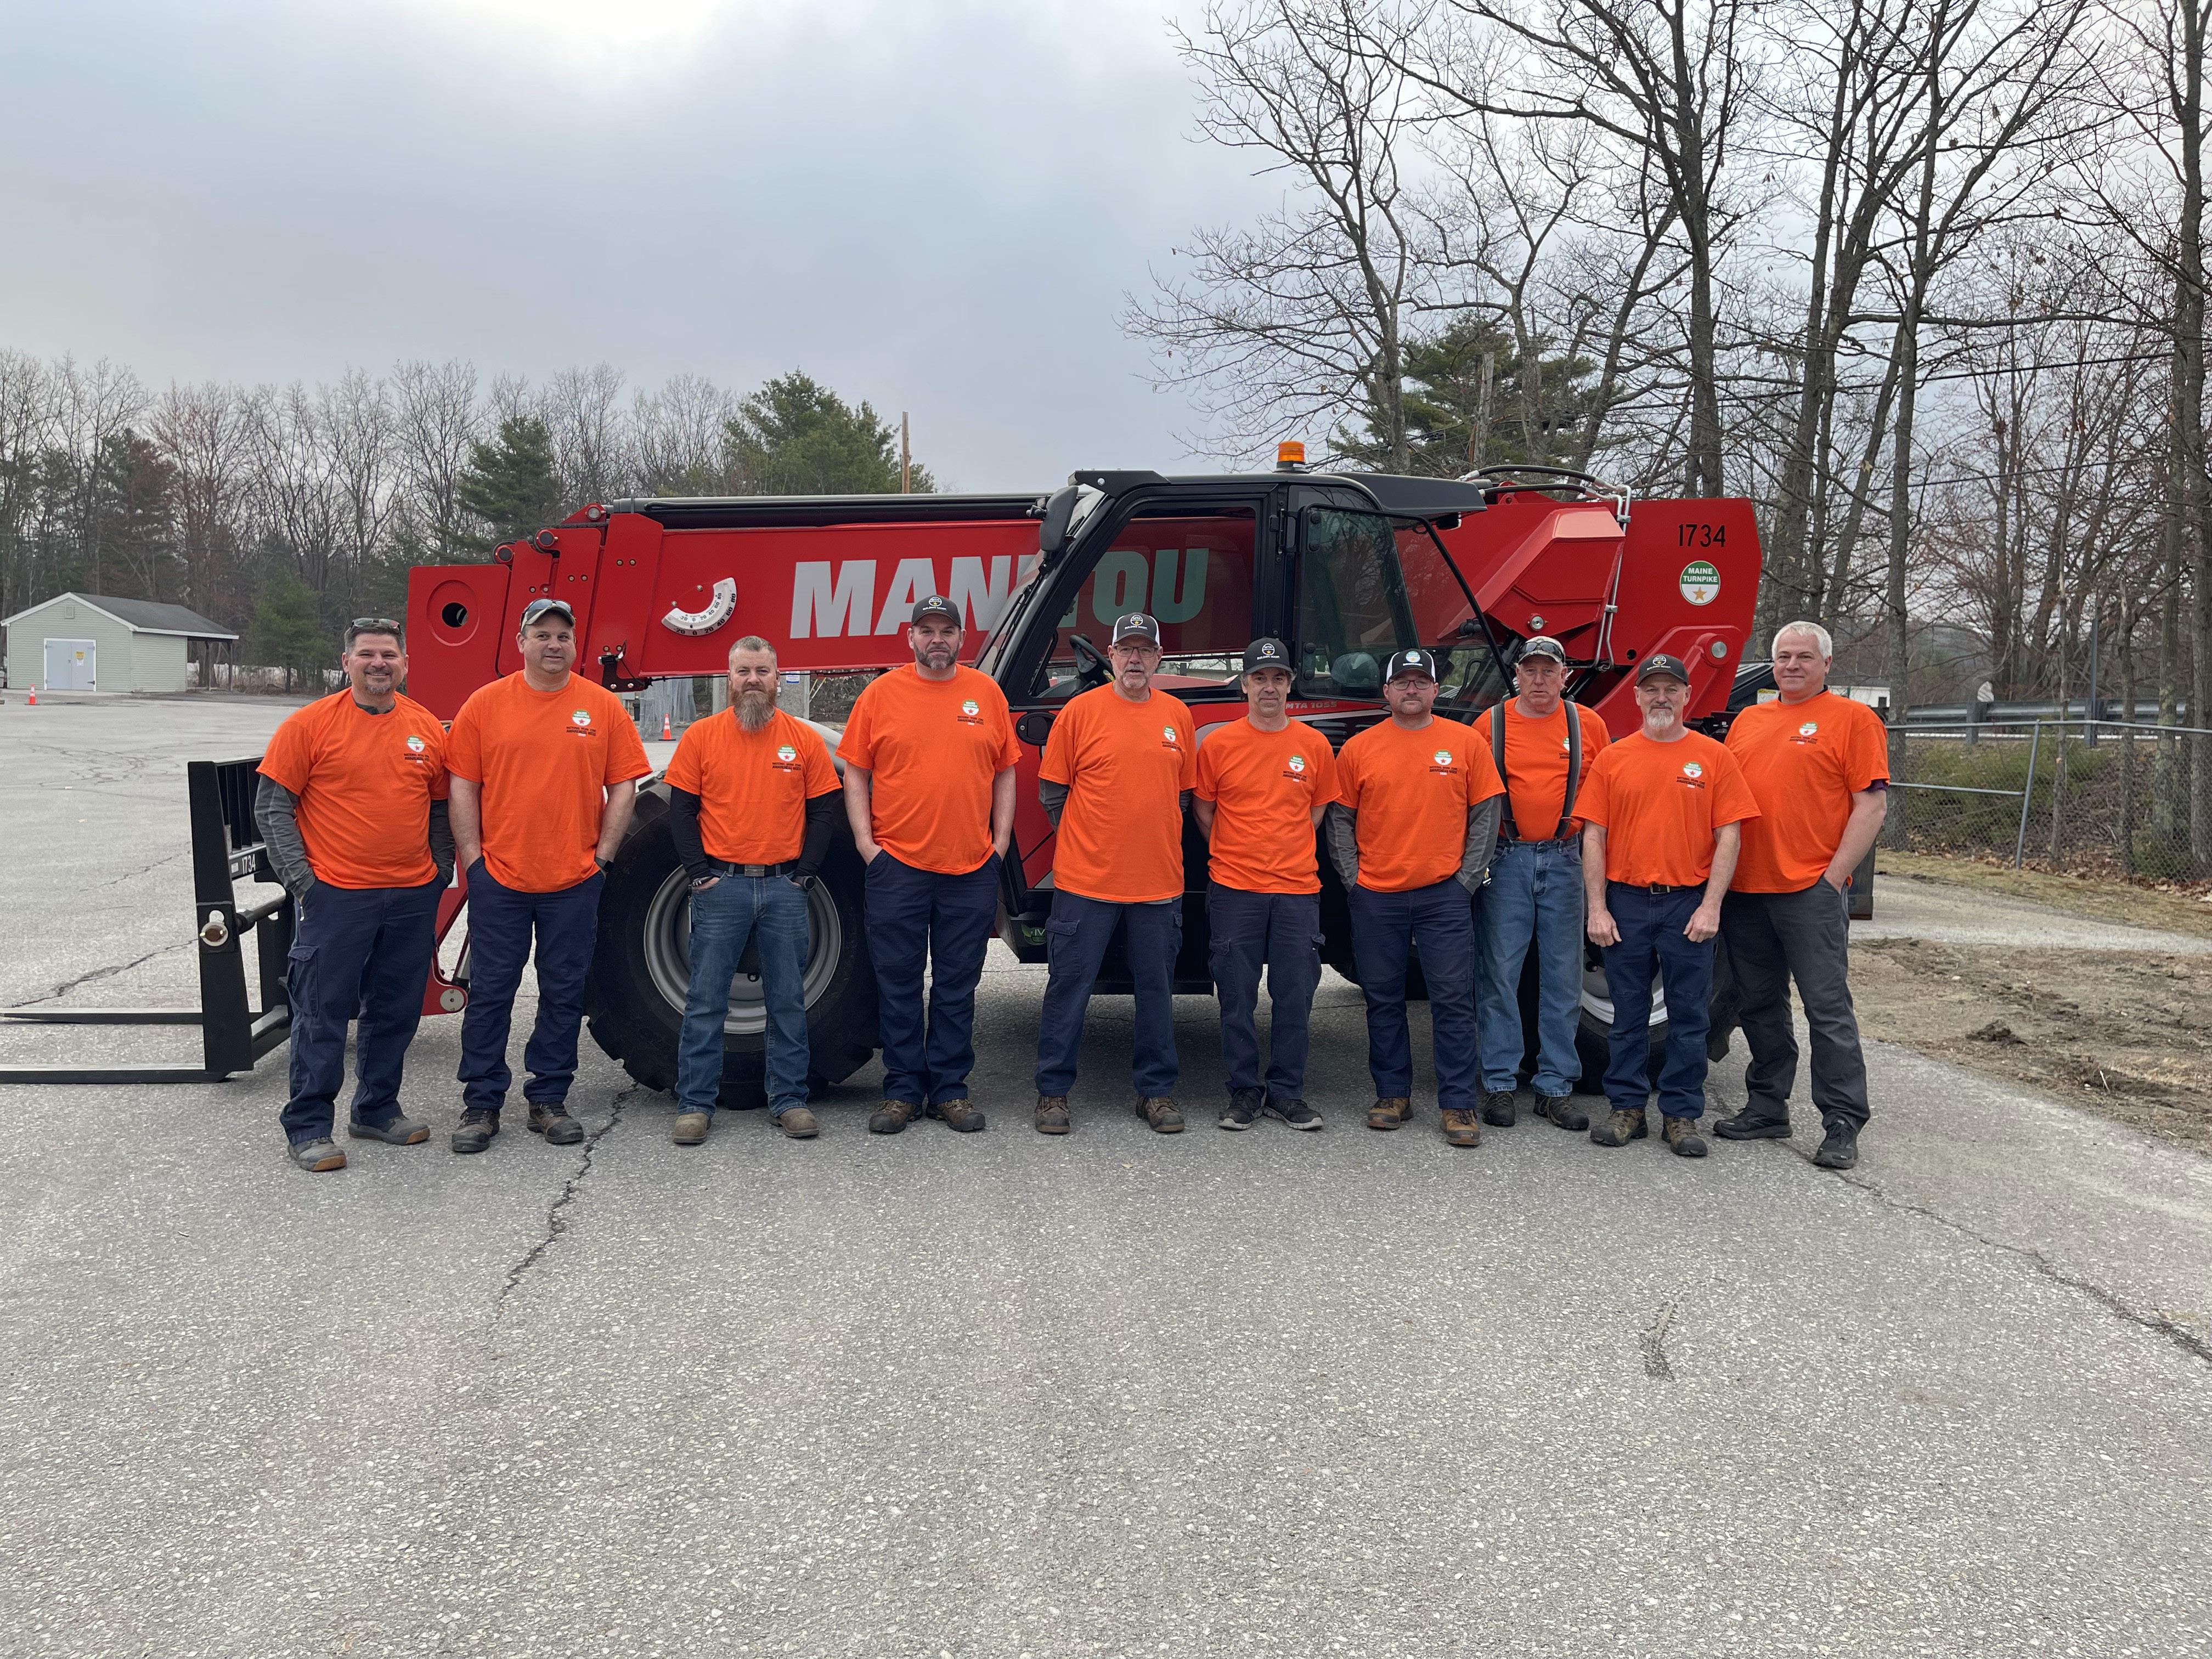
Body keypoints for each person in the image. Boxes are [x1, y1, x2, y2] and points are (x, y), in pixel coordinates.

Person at [445, 597, 650, 1155]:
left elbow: (624, 785)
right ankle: (481, 1103)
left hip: (574, 881)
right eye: (542, 635)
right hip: (500, 879)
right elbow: (462, 785)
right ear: (521, 642)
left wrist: (601, 859)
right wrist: (474, 862)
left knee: (563, 993)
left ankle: (549, 1099)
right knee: (492, 993)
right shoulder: (485, 705)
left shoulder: (601, 707)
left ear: (574, 644)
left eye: (563, 636)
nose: (554, 645)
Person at [255, 618, 454, 1172]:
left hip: (412, 894)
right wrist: (303, 882)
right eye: (367, 654)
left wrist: (439, 871)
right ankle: (309, 1125)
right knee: (322, 1012)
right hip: (337, 895)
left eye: (389, 654)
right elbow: (272, 807)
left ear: (405, 664)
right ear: (346, 663)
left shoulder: (425, 728)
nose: (378, 663)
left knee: (395, 1010)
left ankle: (376, 1109)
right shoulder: (309, 725)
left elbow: (441, 808)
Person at [839, 595, 1019, 1136]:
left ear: (961, 638)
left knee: (957, 986)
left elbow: (1006, 770)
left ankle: (949, 1091)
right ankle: (901, 1092)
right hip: (898, 868)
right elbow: (855, 772)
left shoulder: (986, 694)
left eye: (946, 631)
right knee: (898, 985)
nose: (937, 639)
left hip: (970, 869)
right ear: (910, 637)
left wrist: (999, 845)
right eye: (927, 630)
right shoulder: (880, 695)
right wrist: (867, 845)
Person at [1714, 620, 1890, 1170]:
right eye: (1784, 656)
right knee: (1759, 1004)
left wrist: (1833, 877)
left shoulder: (1853, 720)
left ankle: (1842, 1121)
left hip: (1809, 890)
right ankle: (1767, 1106)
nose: (1792, 665)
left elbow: (1871, 806)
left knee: (1826, 1007)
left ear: (1827, 664)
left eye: (1804, 657)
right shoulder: (1748, 721)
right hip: (1746, 889)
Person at [1578, 654, 1760, 1158]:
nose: (1662, 698)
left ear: (1686, 696)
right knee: (1628, 1015)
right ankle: (1627, 1109)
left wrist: (1712, 906)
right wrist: (1597, 908)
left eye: (1671, 689)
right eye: (1652, 689)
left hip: (1686, 904)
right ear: (1637, 697)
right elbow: (1594, 836)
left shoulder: (1714, 757)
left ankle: (1681, 1114)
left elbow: (1729, 836)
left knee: (1689, 1017)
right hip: (1627, 903)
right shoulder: (1613, 759)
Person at [1325, 648, 1505, 1149]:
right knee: (1383, 998)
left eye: (1420, 681)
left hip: (1444, 896)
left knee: (1452, 1000)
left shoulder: (1466, 743)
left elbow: (1486, 814)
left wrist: (1465, 881)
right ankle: (1392, 1095)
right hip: (1376, 896)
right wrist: (1355, 880)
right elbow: (1340, 819)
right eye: (1402, 682)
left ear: (1435, 690)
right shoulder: (1359, 749)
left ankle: (1457, 1103)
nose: (1411, 689)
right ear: (1386, 692)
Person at [665, 635, 842, 1144]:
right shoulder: (702, 737)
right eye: (743, 671)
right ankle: (695, 1104)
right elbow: (681, 811)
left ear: (777, 679)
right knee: (706, 1001)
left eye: (762, 672)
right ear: (729, 678)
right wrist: (699, 874)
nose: (753, 681)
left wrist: (804, 876)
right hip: (721, 889)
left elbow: (824, 811)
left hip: (785, 888)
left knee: (788, 1000)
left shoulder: (802, 739)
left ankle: (789, 1100)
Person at [1032, 612, 1198, 1135]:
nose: (1134, 659)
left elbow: (1183, 796)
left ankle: (1156, 1093)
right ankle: (1053, 1093)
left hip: (1158, 884)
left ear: (1159, 658)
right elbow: (1052, 793)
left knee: (1157, 992)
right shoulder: (1080, 713)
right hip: (1086, 883)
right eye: (1125, 649)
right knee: (1069, 988)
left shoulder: (1178, 716)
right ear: (1111, 655)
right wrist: (1090, 840)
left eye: (1144, 650)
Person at [1194, 637, 1340, 1131]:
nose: (1270, 687)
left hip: (1297, 890)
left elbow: (1316, 811)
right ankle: (1243, 1091)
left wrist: (1283, 850)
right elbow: (1205, 811)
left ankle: (1286, 1092)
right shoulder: (1219, 745)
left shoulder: (1313, 746)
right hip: (1235, 888)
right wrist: (1239, 851)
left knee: (1295, 995)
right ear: (1244, 685)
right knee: (1237, 996)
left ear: (1290, 684)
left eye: (1279, 678)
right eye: (1260, 678)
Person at [1472, 636, 1610, 1133]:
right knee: (1499, 976)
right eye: (1529, 670)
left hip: (1566, 859)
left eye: (1548, 671)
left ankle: (1554, 1087)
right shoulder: (1491, 724)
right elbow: (1472, 795)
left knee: (1562, 978)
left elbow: (1606, 801)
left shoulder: (1588, 724)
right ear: (1516, 676)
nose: (1538, 680)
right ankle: (1499, 1083)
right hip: (1506, 860)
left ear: (1564, 676)